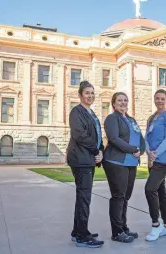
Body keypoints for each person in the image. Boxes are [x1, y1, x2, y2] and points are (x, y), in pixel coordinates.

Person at [103, 92, 146, 243]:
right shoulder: (111, 118)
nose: (123, 102)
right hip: (116, 162)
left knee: (125, 197)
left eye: (125, 100)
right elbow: (114, 139)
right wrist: (133, 150)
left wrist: (141, 149)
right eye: (119, 100)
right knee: (118, 196)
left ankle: (123, 227)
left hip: (131, 163)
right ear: (113, 104)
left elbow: (141, 138)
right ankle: (117, 232)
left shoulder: (131, 119)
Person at [66, 81, 104, 248]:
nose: (90, 95)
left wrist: (100, 150)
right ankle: (82, 236)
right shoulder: (76, 112)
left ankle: (78, 231)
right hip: (81, 160)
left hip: (88, 159)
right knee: (84, 198)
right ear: (80, 95)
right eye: (87, 93)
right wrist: (96, 151)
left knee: (82, 197)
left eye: (92, 93)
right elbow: (80, 135)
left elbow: (97, 135)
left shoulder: (92, 113)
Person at [144, 89, 166, 241]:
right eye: (157, 98)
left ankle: (156, 225)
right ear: (154, 99)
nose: (159, 101)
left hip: (162, 160)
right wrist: (148, 153)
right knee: (160, 192)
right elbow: (146, 138)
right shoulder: (151, 117)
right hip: (152, 160)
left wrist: (155, 154)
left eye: (162, 98)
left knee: (150, 189)